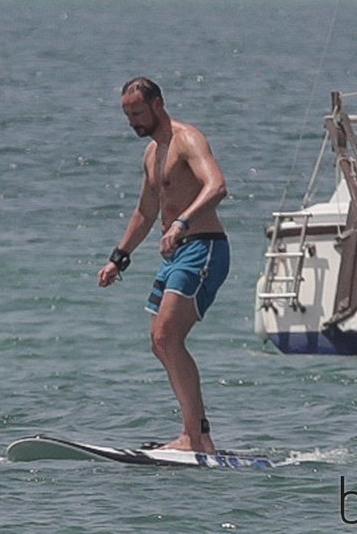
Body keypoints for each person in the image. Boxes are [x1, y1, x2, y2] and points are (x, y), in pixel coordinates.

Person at [97, 76, 229, 453]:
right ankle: (196, 434)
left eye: (137, 112)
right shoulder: (151, 153)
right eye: (127, 114)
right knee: (160, 342)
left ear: (158, 104)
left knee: (168, 336)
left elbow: (217, 185)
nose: (132, 121)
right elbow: (145, 211)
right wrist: (118, 258)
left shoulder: (188, 140)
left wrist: (183, 223)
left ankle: (195, 437)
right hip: (177, 253)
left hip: (204, 247)